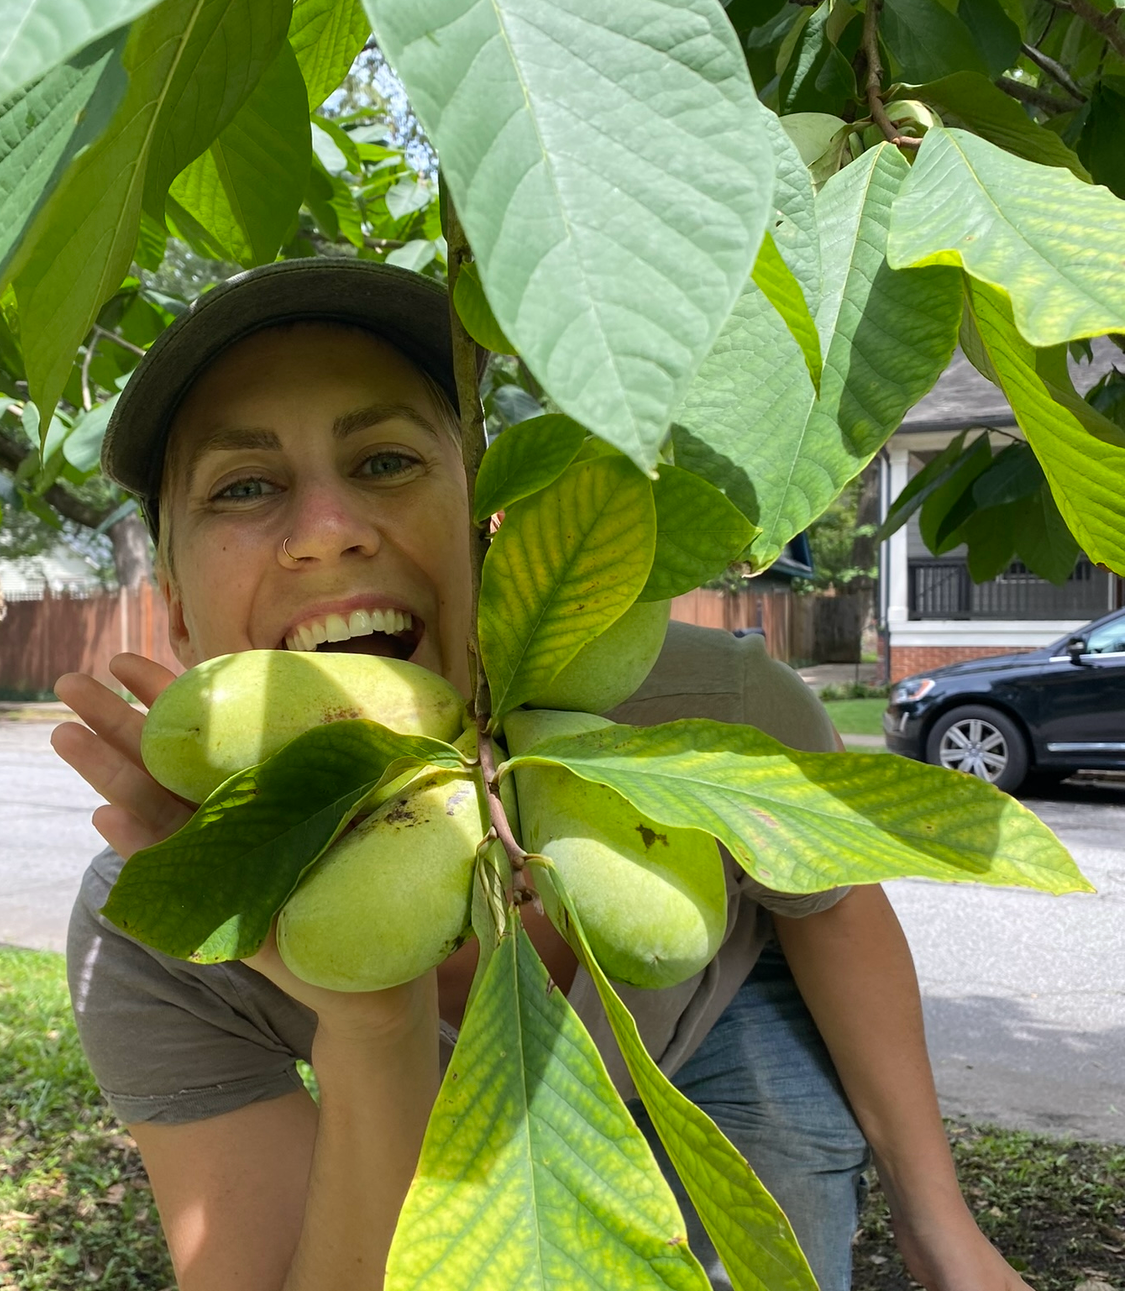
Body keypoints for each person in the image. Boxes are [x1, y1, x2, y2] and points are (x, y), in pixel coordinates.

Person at [52, 259, 1030, 1291]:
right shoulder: (157, 927)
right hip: (427, 1110)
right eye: (244, 486)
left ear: (490, 524)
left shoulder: (706, 705)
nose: (330, 530)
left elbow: (832, 905)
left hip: (724, 1021)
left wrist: (940, 1222)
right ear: (172, 606)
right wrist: (372, 1026)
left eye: (386, 460)